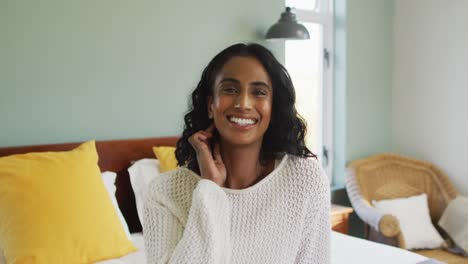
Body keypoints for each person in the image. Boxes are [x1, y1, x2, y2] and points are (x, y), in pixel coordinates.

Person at [143, 43, 330, 264]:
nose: (243, 103)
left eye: (259, 92)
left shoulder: (305, 179)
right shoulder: (164, 193)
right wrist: (210, 189)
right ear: (211, 104)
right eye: (230, 89)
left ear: (273, 106)